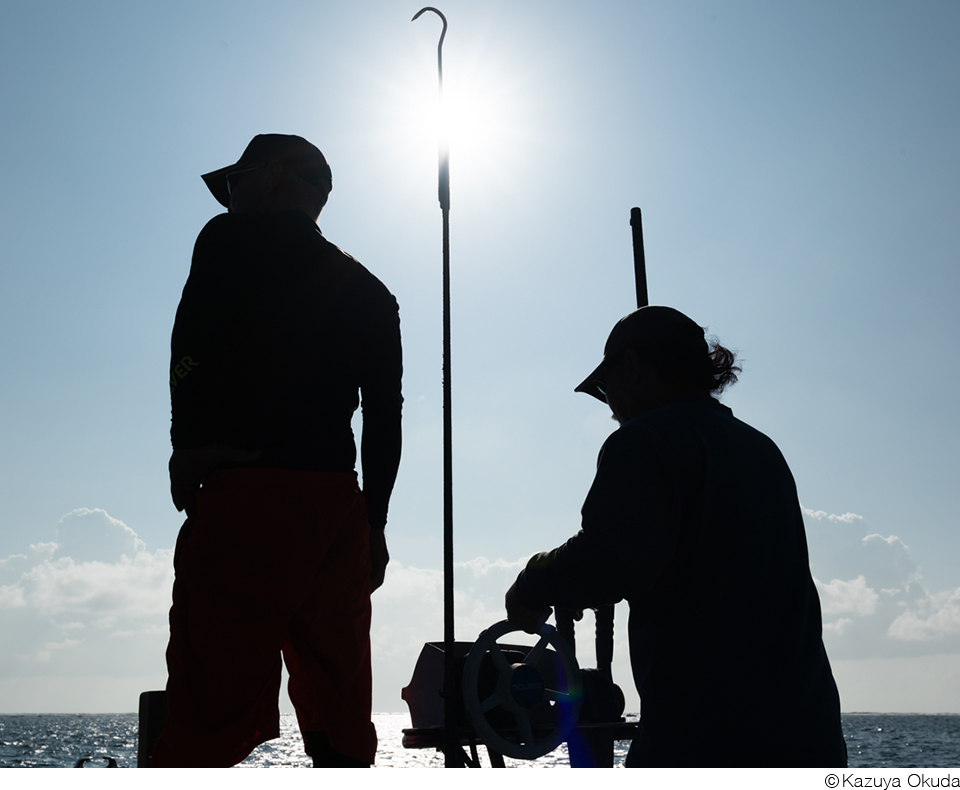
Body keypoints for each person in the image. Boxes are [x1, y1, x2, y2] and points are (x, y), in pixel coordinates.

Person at [151, 134, 402, 768]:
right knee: (340, 710)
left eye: (236, 181)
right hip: (338, 511)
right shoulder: (371, 292)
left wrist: (186, 448)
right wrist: (374, 521)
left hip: (247, 497)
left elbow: (190, 350)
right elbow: (384, 418)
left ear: (273, 177)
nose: (228, 197)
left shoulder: (225, 240)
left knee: (209, 703)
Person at [504, 306, 846, 767]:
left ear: (631, 367)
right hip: (810, 737)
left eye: (607, 389)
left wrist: (533, 581)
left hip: (706, 739)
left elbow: (608, 558)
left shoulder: (643, 441)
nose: (610, 408)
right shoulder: (762, 450)